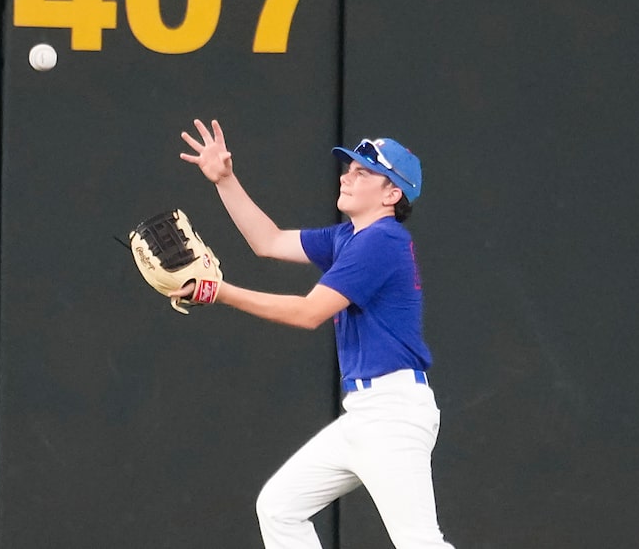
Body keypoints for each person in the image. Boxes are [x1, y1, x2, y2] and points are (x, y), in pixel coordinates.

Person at [176, 119, 454, 549]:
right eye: (349, 168)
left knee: (419, 542)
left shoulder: (382, 240)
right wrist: (225, 180)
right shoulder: (349, 237)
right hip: (365, 412)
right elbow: (268, 241)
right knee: (280, 509)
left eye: (364, 172)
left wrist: (221, 292)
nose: (347, 176)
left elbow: (308, 313)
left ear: (391, 194)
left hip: (393, 414)